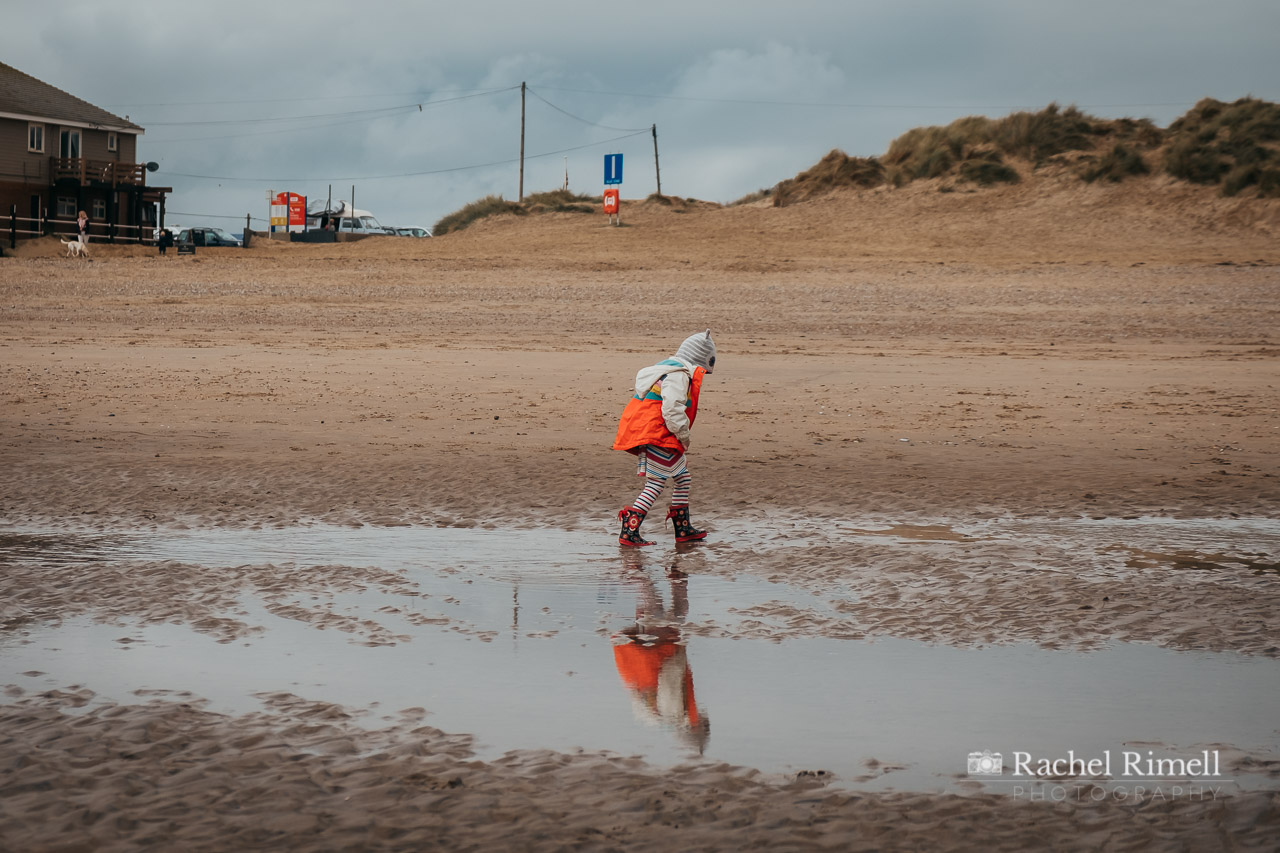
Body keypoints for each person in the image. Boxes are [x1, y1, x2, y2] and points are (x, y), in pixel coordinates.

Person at [612, 330, 716, 546]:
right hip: (657, 434)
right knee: (656, 483)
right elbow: (671, 409)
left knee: (682, 478)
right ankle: (630, 528)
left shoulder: (668, 369)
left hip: (655, 433)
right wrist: (684, 436)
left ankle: (682, 528)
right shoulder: (678, 375)